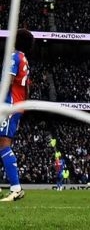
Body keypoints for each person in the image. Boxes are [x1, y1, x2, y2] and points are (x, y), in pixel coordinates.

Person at [0, 28, 33, 203]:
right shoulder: (24, 58)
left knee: (4, 143)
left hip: (9, 105)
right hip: (15, 105)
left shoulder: (15, 57)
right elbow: (27, 86)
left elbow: (8, 81)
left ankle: (16, 188)